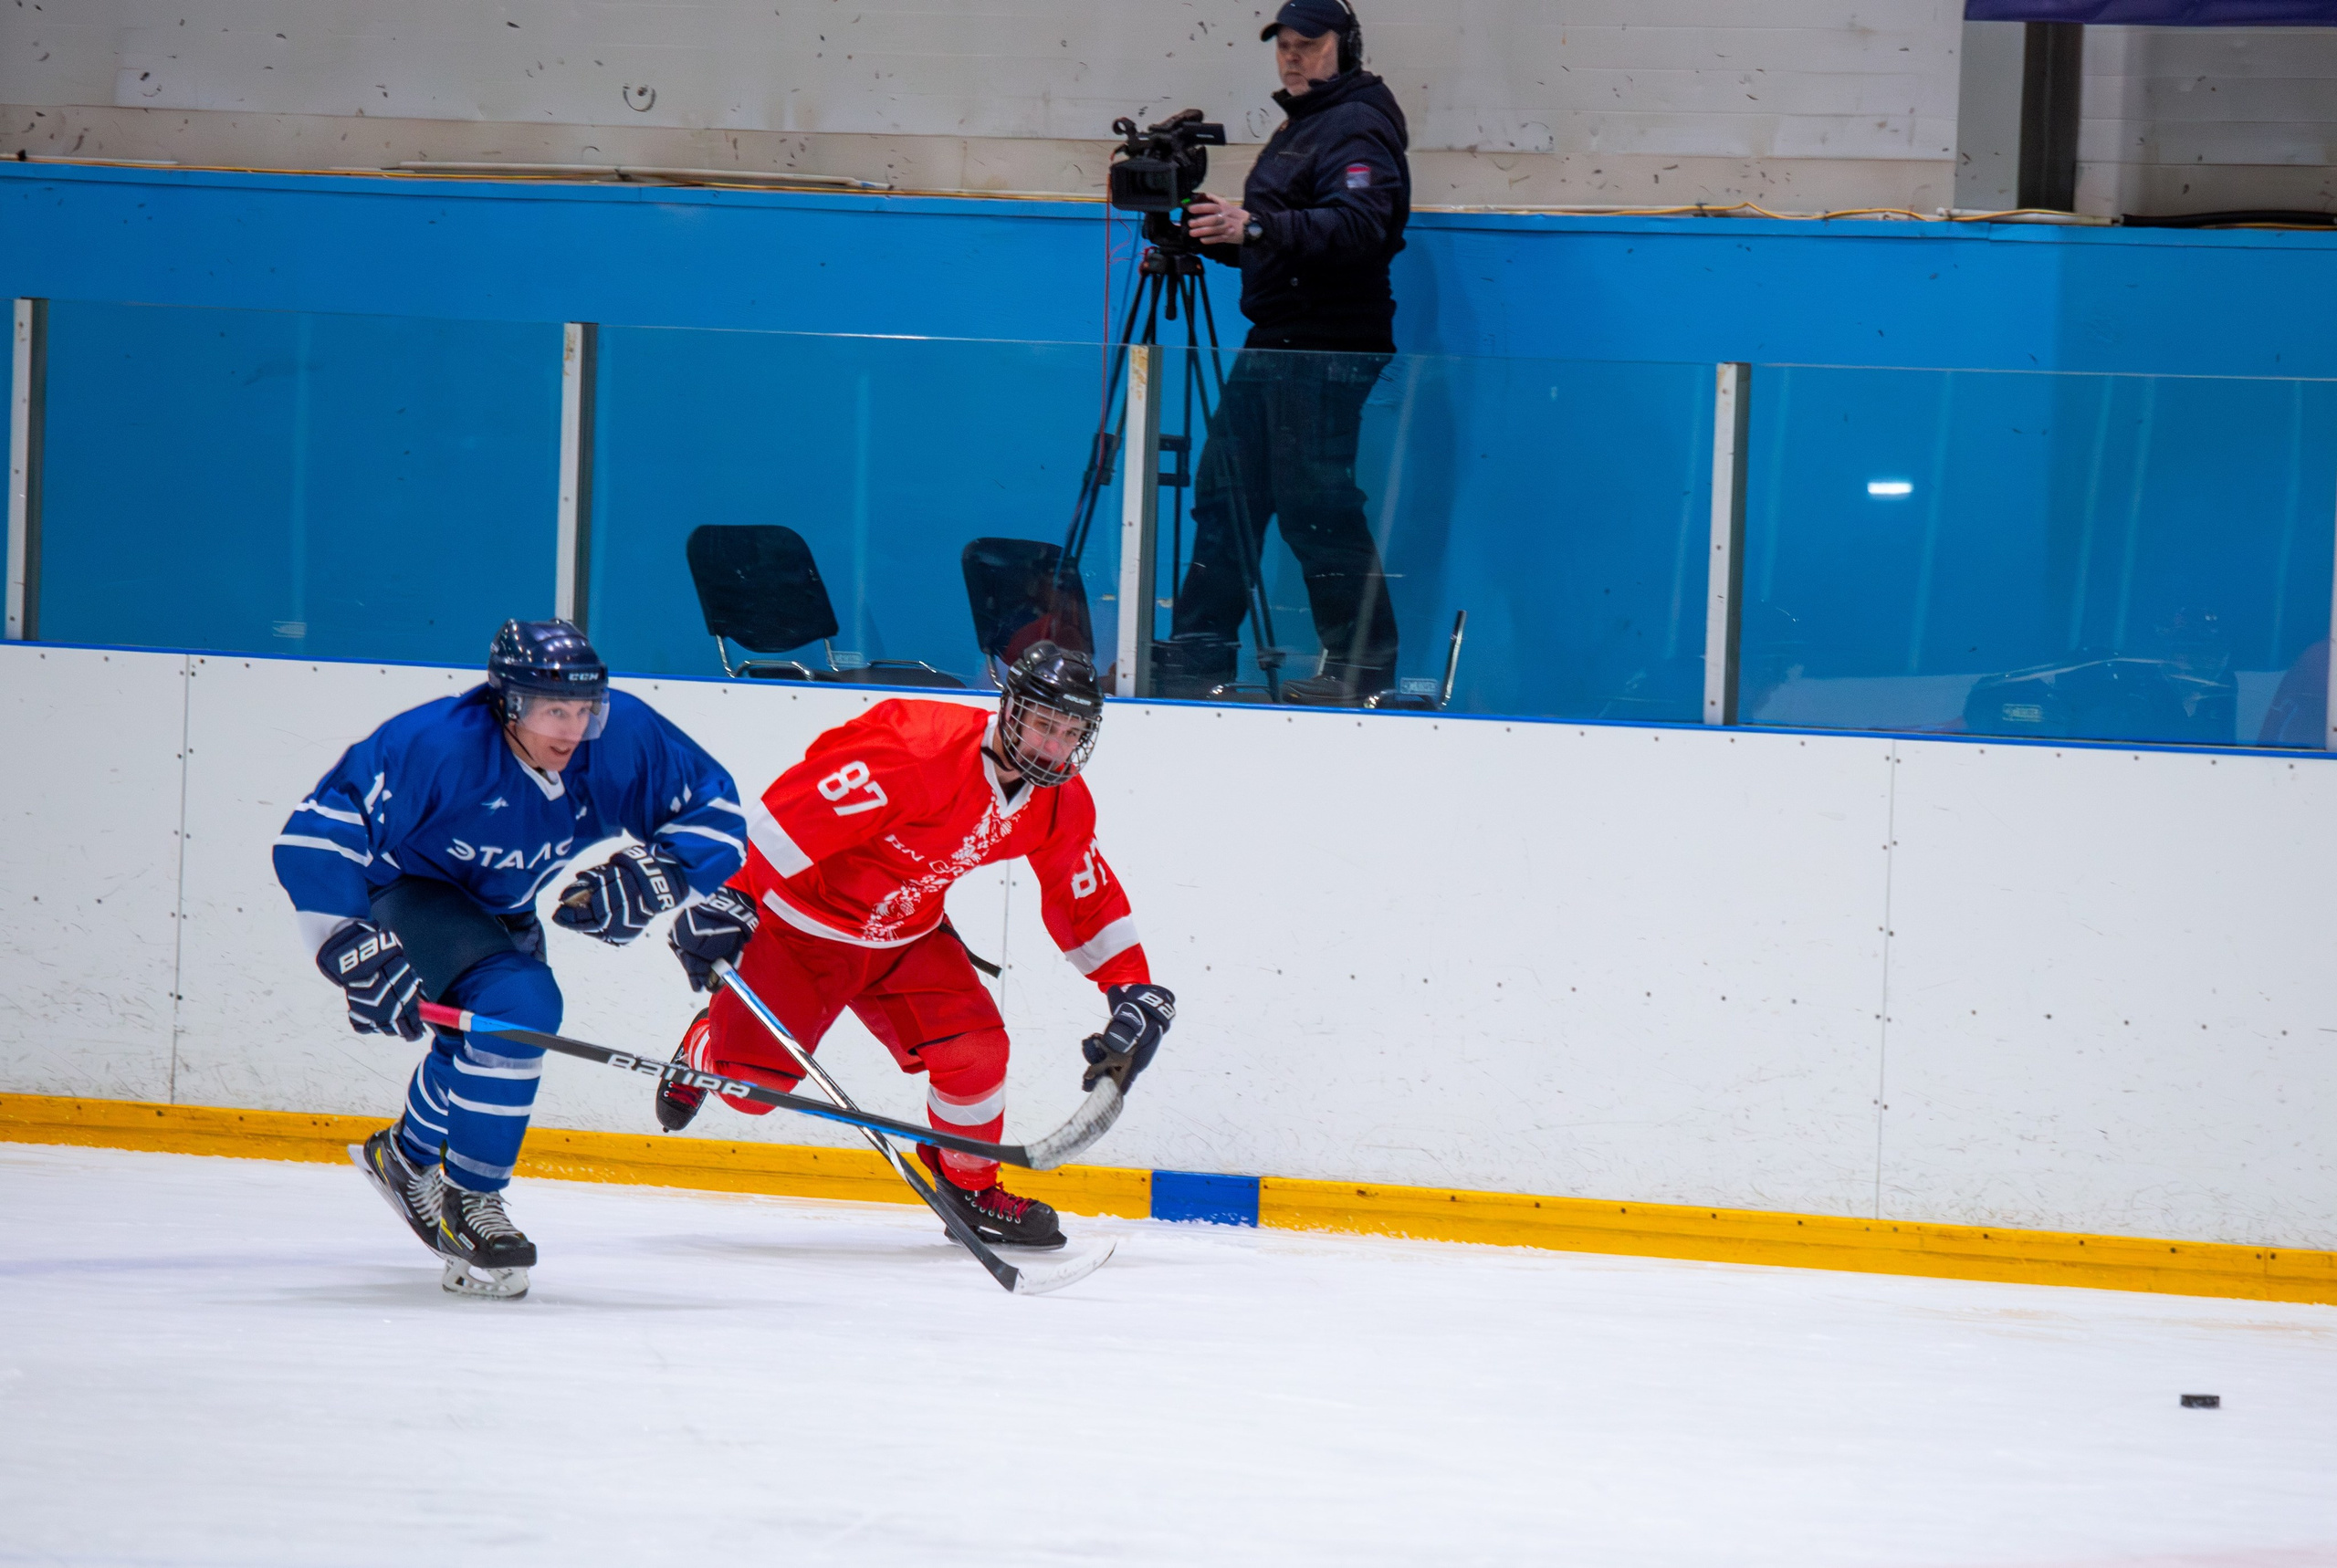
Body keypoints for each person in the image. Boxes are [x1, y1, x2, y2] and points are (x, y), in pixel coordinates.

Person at [273, 620, 754, 1298]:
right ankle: (471, 1201)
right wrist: (345, 940)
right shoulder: (435, 744)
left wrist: (665, 875)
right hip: (407, 889)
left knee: (482, 1040)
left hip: (504, 907)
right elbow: (316, 836)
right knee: (521, 1006)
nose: (572, 729)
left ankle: (405, 1157)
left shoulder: (621, 738)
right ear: (507, 702)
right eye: (554, 710)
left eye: (585, 710)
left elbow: (716, 813)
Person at [654, 643, 1176, 1250]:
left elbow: (1083, 893)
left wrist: (1130, 988)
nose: (1054, 745)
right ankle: (705, 1045)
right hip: (802, 930)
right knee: (751, 1091)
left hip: (908, 936)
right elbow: (794, 813)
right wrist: (735, 893)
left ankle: (969, 1188)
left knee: (977, 1052)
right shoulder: (916, 749)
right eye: (1043, 723)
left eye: (1070, 732)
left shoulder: (1059, 800)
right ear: (1010, 708)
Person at [1161, 0, 1410, 706]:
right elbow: (1284, 239)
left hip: (1327, 342)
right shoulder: (1302, 123)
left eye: (1310, 42)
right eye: (1284, 44)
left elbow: (1360, 226)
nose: (1293, 55)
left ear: (1346, 45)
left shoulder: (1357, 121)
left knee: (1315, 503)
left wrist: (1254, 227)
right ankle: (1196, 657)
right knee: (1226, 496)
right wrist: (1215, 235)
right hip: (1278, 337)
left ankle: (1363, 671)